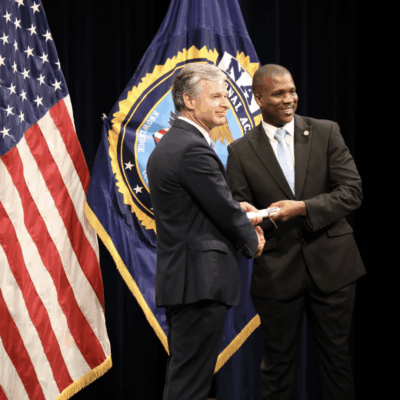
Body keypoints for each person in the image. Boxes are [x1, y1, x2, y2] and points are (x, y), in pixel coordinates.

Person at [226, 64, 365, 400]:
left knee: (337, 361)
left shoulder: (326, 131)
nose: (290, 99)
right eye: (279, 94)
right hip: (277, 272)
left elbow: (352, 192)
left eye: (292, 91)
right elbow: (239, 213)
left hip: (333, 268)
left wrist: (301, 207)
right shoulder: (240, 151)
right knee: (278, 365)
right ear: (259, 98)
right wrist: (254, 224)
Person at [147, 63, 265, 400]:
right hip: (198, 283)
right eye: (216, 95)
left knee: (189, 380)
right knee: (191, 385)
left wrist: (235, 210)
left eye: (226, 95)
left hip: (187, 282)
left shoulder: (174, 143)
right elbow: (223, 212)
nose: (226, 103)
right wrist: (250, 238)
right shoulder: (192, 148)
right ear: (188, 100)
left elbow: (204, 205)